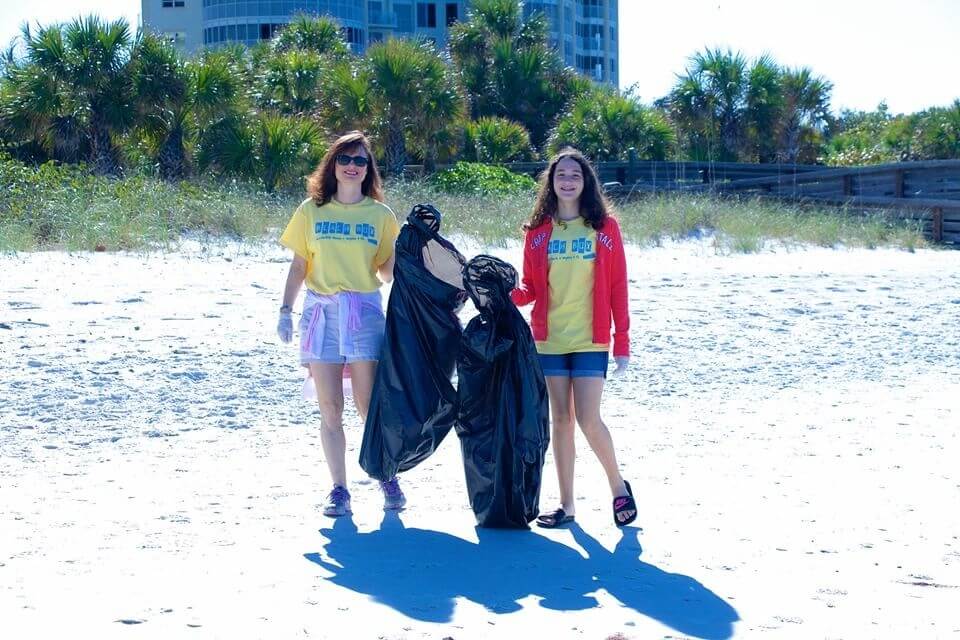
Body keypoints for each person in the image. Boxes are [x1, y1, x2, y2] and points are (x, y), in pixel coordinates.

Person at [276, 131, 405, 517]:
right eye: (345, 159)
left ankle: (386, 475)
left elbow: (385, 273)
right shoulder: (311, 210)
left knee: (368, 406)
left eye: (361, 161)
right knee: (330, 408)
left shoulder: (380, 216)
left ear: (369, 170)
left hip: (363, 312)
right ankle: (339, 488)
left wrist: (408, 252)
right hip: (320, 313)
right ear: (333, 164)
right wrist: (285, 310)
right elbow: (300, 265)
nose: (353, 166)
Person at [510, 147, 638, 528]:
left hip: (590, 339)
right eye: (561, 174)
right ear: (551, 181)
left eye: (575, 175)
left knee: (588, 418)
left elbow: (618, 287)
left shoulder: (605, 229)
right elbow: (530, 288)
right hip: (548, 340)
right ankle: (566, 506)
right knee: (561, 420)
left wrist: (622, 342)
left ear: (586, 183)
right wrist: (502, 293)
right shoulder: (537, 234)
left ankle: (618, 487)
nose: (567, 180)